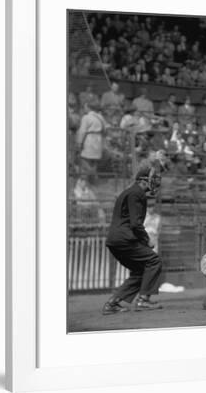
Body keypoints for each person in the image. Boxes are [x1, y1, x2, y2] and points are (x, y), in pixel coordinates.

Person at [102, 165, 164, 314]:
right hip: (124, 239)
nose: (155, 182)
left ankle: (112, 304)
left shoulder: (129, 192)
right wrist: (146, 239)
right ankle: (143, 301)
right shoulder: (137, 194)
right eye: (152, 179)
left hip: (115, 240)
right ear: (144, 181)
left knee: (140, 271)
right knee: (154, 261)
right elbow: (136, 223)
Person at [76, 97, 107, 184]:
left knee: (85, 161)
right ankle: (92, 181)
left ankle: (88, 179)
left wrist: (79, 143)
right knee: (94, 162)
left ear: (88, 107)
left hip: (89, 140)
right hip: (98, 140)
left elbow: (82, 131)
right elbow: (105, 130)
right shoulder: (100, 117)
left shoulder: (86, 117)